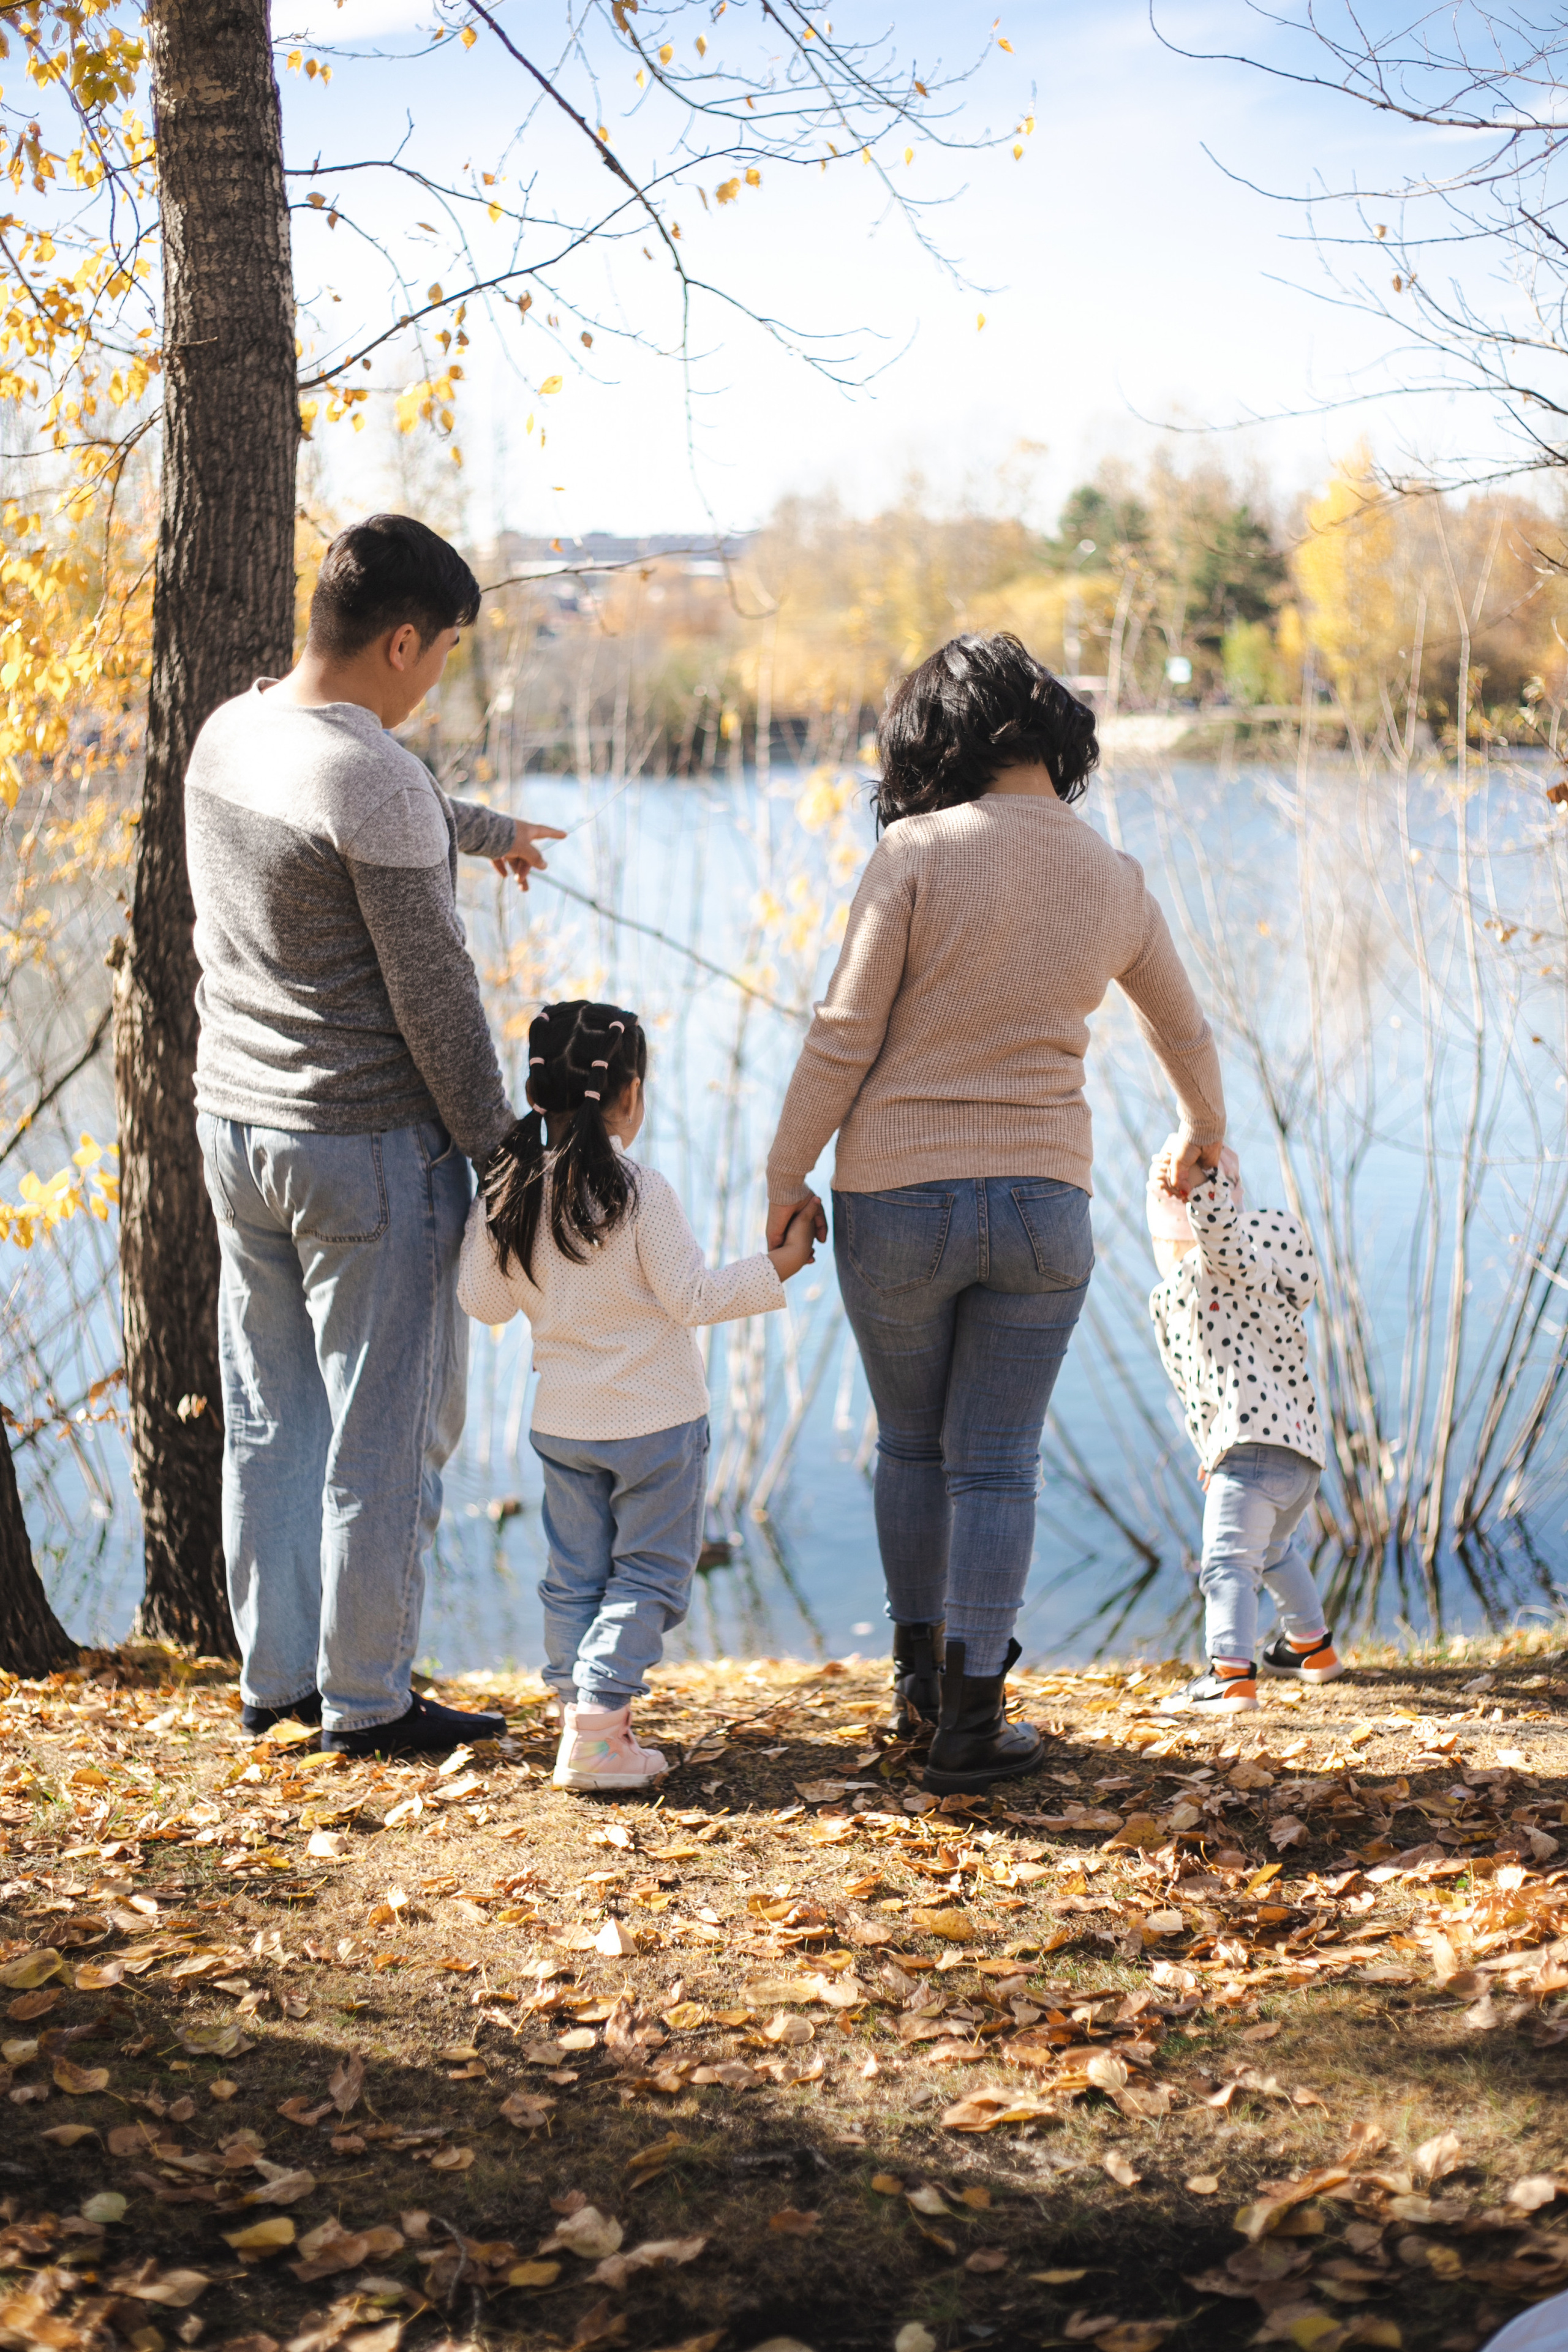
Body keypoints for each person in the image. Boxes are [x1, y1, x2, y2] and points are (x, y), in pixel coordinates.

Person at [765, 630, 1227, 1795]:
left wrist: (785, 1170)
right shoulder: (1113, 877)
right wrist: (1201, 1127)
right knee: (998, 1465)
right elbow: (1182, 1027)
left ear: (935, 741)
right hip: (1041, 1203)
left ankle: (919, 1689)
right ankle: (974, 1719)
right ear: (1054, 735)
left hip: (897, 1199)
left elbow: (842, 1032)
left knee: (913, 1445)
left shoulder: (913, 853)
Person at [186, 512, 565, 1756]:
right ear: (403, 641)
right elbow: (439, 1006)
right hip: (362, 1148)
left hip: (239, 1129)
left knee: (273, 1419)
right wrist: (506, 1155)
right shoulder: (376, 777)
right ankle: (369, 1700)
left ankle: (278, 1683)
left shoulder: (235, 728)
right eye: (447, 648)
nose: (445, 669)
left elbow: (348, 815)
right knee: (387, 1432)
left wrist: (486, 829)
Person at [457, 1000, 818, 1789]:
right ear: (628, 1097)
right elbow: (692, 1297)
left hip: (563, 1425)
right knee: (649, 1577)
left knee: (574, 1578)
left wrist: (493, 1218)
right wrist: (783, 1264)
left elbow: (482, 1303)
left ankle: (581, 1721)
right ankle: (595, 1735)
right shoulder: (638, 1191)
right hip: (656, 1423)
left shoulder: (509, 1189)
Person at [1148, 1141, 1343, 1713]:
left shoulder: (1229, 1271)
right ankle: (1310, 1646)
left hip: (1253, 1453)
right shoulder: (1262, 1298)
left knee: (1228, 1562)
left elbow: (1224, 1242)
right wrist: (1213, 1454)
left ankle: (1230, 1673)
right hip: (1298, 1458)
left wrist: (1204, 1185)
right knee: (1274, 1549)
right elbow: (1202, 1392)